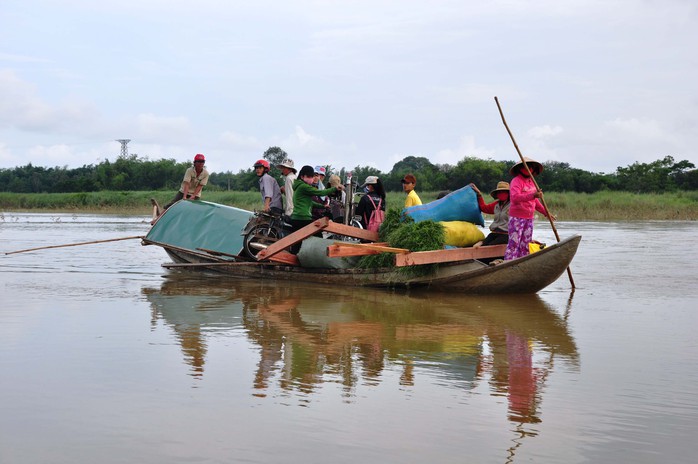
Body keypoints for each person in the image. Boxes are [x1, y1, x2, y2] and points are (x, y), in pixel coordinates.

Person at [504, 157, 555, 261]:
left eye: (530, 167)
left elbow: (535, 202)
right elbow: (514, 198)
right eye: (524, 167)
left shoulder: (532, 182)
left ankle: (522, 263)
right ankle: (508, 262)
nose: (527, 169)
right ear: (520, 169)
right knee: (514, 244)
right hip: (517, 218)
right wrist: (533, 195)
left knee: (525, 244)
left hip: (529, 218)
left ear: (533, 169)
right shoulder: (516, 181)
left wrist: (546, 213)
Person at [290, 165, 343, 232]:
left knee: (298, 241)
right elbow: (320, 193)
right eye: (308, 177)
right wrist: (335, 188)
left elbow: (310, 202)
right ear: (302, 176)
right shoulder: (304, 187)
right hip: (302, 218)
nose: (311, 178)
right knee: (318, 234)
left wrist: (323, 206)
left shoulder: (299, 186)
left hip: (298, 217)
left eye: (312, 176)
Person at [470, 181, 510, 248]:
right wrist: (479, 195)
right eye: (499, 192)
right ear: (497, 194)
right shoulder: (496, 205)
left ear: (508, 193)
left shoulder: (514, 205)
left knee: (489, 247)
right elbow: (484, 208)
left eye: (504, 192)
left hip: (507, 235)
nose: (501, 194)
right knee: (479, 245)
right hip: (494, 233)